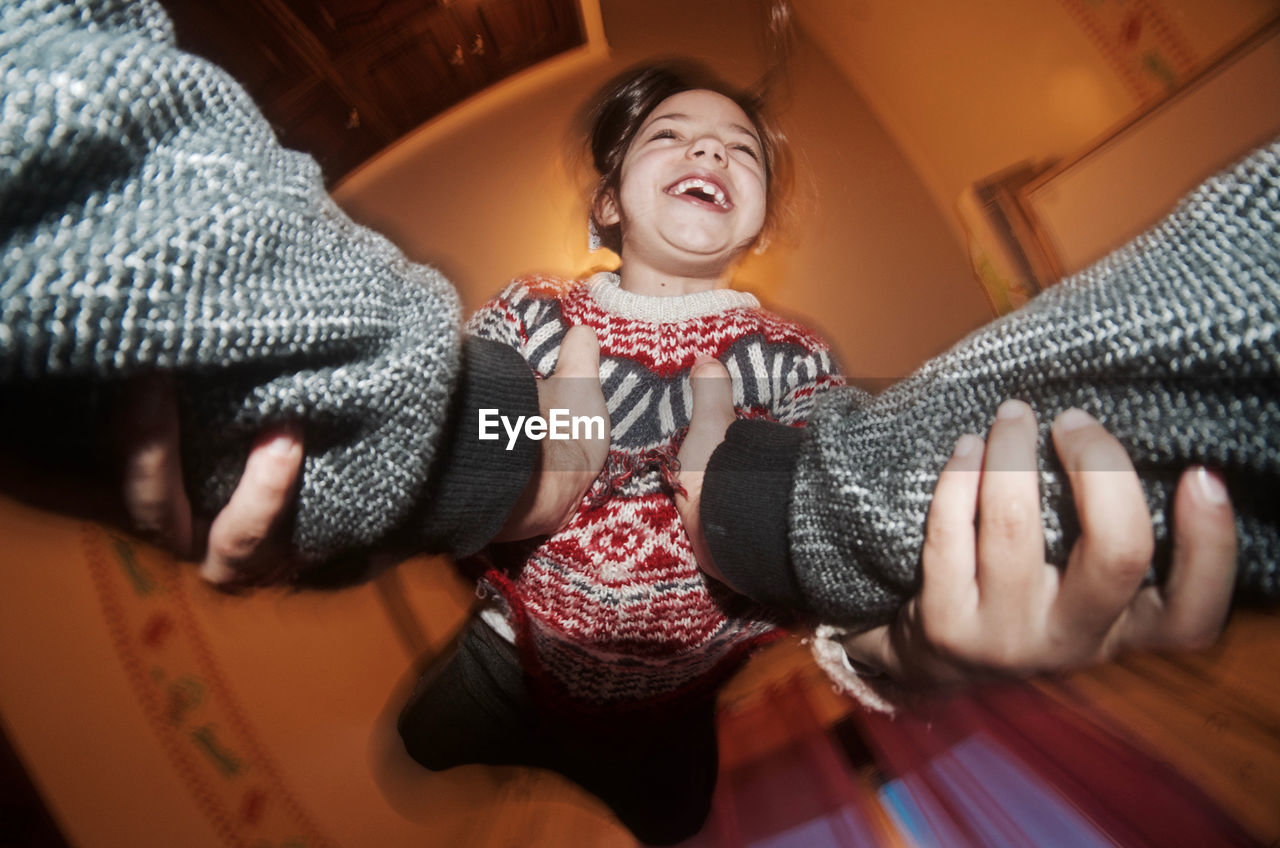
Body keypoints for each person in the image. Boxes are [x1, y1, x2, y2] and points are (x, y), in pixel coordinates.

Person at [0, 0, 1261, 835]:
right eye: (671, 134)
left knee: (671, 810)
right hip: (515, 655)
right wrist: (541, 446)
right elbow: (476, 429)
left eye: (739, 148)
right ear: (611, 204)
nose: (709, 148)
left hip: (673, 694)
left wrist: (909, 637)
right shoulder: (543, 310)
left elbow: (831, 530)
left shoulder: (781, 350)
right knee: (427, 726)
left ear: (753, 215)